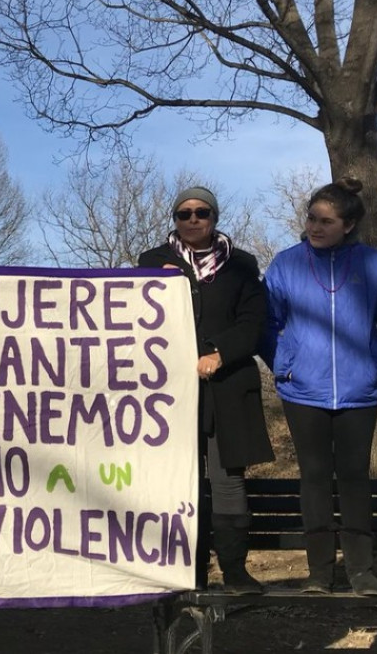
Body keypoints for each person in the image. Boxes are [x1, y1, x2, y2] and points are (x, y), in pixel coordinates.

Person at [260, 177, 377, 597]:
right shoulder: (286, 264)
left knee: (353, 476)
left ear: (348, 225)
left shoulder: (373, 265)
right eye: (311, 217)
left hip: (359, 391)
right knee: (313, 477)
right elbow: (265, 322)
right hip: (302, 390)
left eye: (326, 221)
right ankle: (319, 574)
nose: (315, 226)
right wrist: (284, 363)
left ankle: (361, 571)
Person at [138, 186, 274, 594]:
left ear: (214, 217)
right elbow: (133, 321)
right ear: (175, 220)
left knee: (228, 479)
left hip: (228, 385)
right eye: (184, 213)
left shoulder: (242, 265)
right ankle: (188, 574)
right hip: (169, 391)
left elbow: (253, 322)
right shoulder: (151, 263)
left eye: (201, 212)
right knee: (180, 482)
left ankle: (234, 571)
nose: (193, 219)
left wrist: (219, 352)